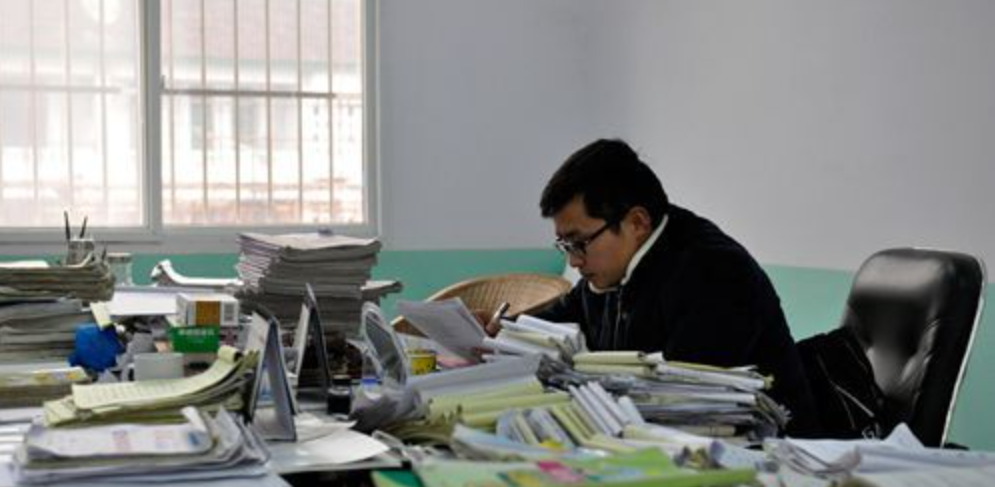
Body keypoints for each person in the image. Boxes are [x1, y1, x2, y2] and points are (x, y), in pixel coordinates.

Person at [530, 138, 821, 437]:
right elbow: (554, 321)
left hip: (766, 450)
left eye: (579, 243)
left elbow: (678, 399)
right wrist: (504, 331)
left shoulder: (715, 272)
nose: (574, 261)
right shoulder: (609, 270)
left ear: (637, 223)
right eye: (566, 245)